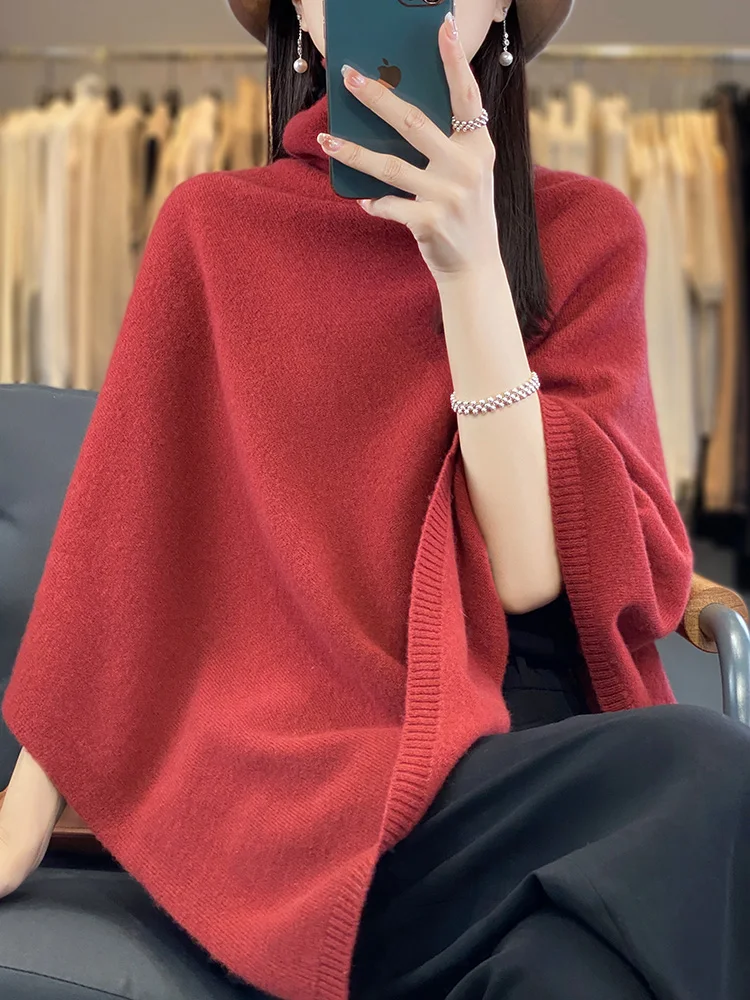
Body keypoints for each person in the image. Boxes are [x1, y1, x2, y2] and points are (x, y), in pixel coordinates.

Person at [1, 1, 749, 998]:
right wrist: (24, 808)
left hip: (541, 768)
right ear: (300, 17)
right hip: (318, 783)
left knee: (578, 961)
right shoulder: (213, 231)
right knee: (709, 774)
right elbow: (121, 535)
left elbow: (531, 572)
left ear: (502, 14)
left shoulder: (587, 233)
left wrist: (472, 270)